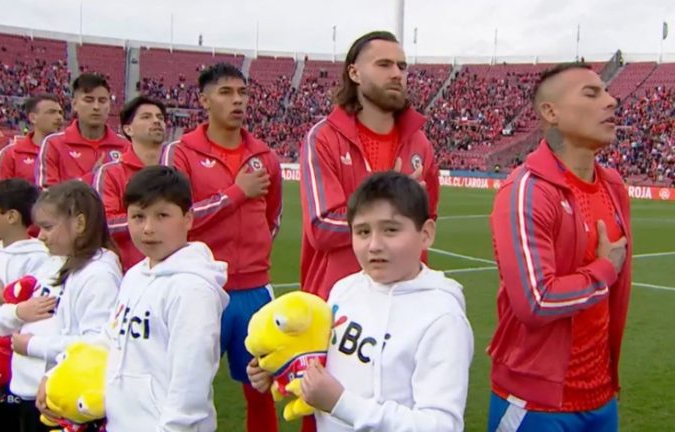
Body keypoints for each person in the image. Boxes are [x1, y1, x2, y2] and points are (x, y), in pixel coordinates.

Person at [248, 172, 473, 432]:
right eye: (363, 231)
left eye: (390, 230)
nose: (374, 245)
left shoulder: (443, 319)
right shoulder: (345, 290)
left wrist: (341, 403)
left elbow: (440, 426)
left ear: (426, 234)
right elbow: (325, 359)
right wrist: (281, 369)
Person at [487, 63, 631, 432]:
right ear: (551, 112)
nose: (612, 101)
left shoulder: (613, 186)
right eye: (591, 93)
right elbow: (536, 301)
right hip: (535, 404)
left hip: (601, 397)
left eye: (608, 92)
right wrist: (604, 271)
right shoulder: (528, 191)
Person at [162, 63, 282, 432]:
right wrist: (235, 194)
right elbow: (172, 221)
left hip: (254, 291)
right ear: (204, 100)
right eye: (226, 93)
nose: (237, 101)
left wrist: (254, 254)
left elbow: (272, 218)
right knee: (184, 388)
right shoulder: (180, 153)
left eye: (243, 93)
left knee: (261, 388)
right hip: (201, 288)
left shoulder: (265, 156)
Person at [299, 31, 440, 303]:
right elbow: (321, 228)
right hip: (339, 304)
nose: (397, 74)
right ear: (354, 73)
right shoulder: (324, 137)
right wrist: (390, 199)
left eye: (402, 66)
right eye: (384, 65)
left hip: (404, 300)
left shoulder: (419, 143)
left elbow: (424, 224)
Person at [94, 166, 228, 431]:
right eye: (138, 217)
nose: (148, 228)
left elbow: (190, 381)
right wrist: (60, 375)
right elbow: (110, 338)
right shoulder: (134, 275)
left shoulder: (192, 289)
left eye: (162, 215)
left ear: (188, 218)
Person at [0, 181, 120, 429]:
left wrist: (33, 345)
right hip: (31, 390)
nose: (40, 235)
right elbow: (13, 310)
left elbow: (95, 346)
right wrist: (15, 313)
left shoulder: (99, 275)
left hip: (62, 400)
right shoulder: (53, 262)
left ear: (80, 224)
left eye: (47, 227)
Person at [0, 179, 49, 432]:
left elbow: (37, 310)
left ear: (12, 216)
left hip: (11, 365)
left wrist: (0, 294)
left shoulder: (37, 256)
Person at [95, 96, 167, 271]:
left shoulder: (176, 168)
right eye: (146, 117)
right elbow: (105, 223)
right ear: (128, 129)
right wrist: (155, 220)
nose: (156, 121)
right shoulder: (111, 172)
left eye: (160, 117)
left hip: (172, 271)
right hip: (127, 271)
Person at [35, 74, 129, 188]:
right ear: (74, 104)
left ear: (109, 105)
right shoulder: (54, 144)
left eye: (102, 101)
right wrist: (92, 177)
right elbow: (47, 196)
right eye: (89, 100)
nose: (96, 107)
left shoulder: (125, 146)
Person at [0, 95, 64, 184]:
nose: (59, 117)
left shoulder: (69, 152)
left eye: (60, 112)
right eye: (51, 112)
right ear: (33, 118)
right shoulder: (11, 154)